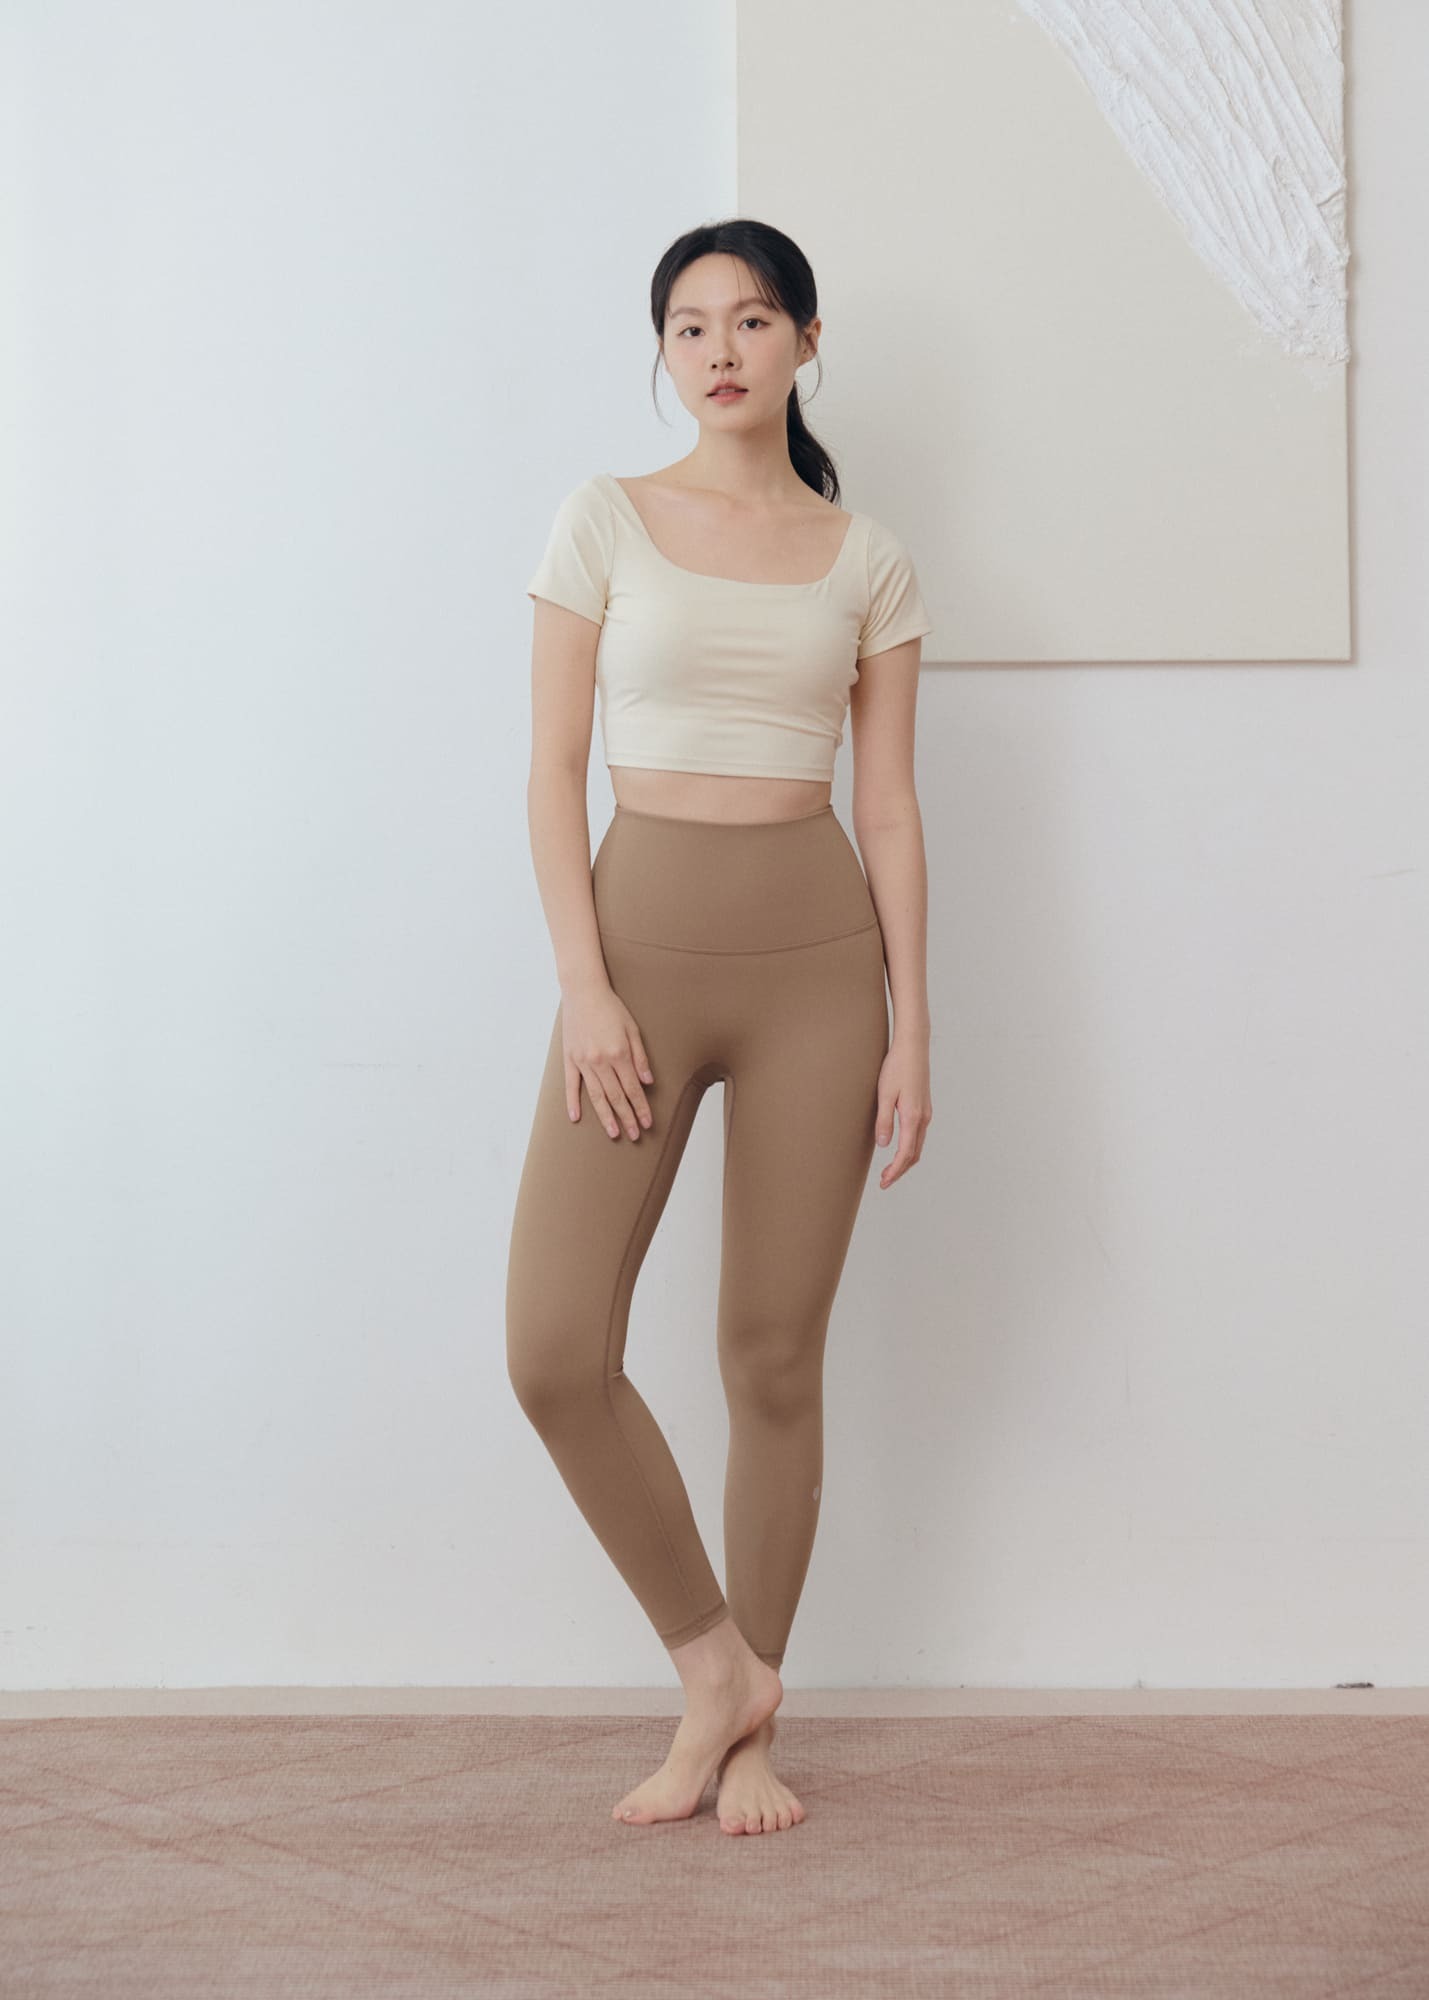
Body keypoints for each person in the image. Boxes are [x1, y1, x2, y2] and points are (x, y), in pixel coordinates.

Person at [505, 218, 934, 1837]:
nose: (720, 350)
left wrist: (911, 1028)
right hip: (634, 955)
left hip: (817, 966)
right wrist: (583, 983)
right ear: (663, 353)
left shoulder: (866, 555)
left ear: (805, 343)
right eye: (690, 325)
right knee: (554, 1347)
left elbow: (886, 809)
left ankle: (753, 1728)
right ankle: (714, 1670)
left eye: (752, 321)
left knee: (768, 1352)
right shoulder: (603, 518)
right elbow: (552, 770)